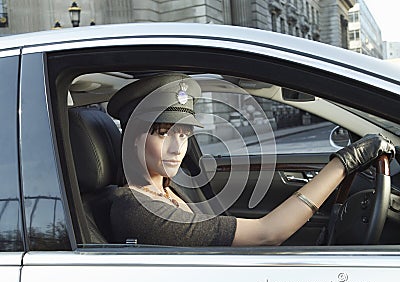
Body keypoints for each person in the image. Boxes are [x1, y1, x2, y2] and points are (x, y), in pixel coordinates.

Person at [107, 73, 395, 247]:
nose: (177, 148)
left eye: (183, 135)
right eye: (164, 134)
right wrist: (343, 163)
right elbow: (266, 234)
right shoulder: (137, 208)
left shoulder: (166, 189)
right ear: (134, 136)